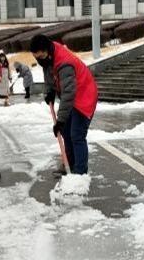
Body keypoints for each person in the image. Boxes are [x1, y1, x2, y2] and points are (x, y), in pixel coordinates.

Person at [29, 34, 98, 175]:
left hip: (84, 96)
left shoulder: (64, 62)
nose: (39, 60)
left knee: (76, 135)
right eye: (37, 57)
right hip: (72, 95)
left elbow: (68, 94)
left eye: (41, 57)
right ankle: (69, 163)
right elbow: (48, 74)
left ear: (47, 50)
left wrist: (60, 120)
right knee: (66, 132)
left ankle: (80, 172)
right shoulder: (47, 57)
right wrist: (49, 91)